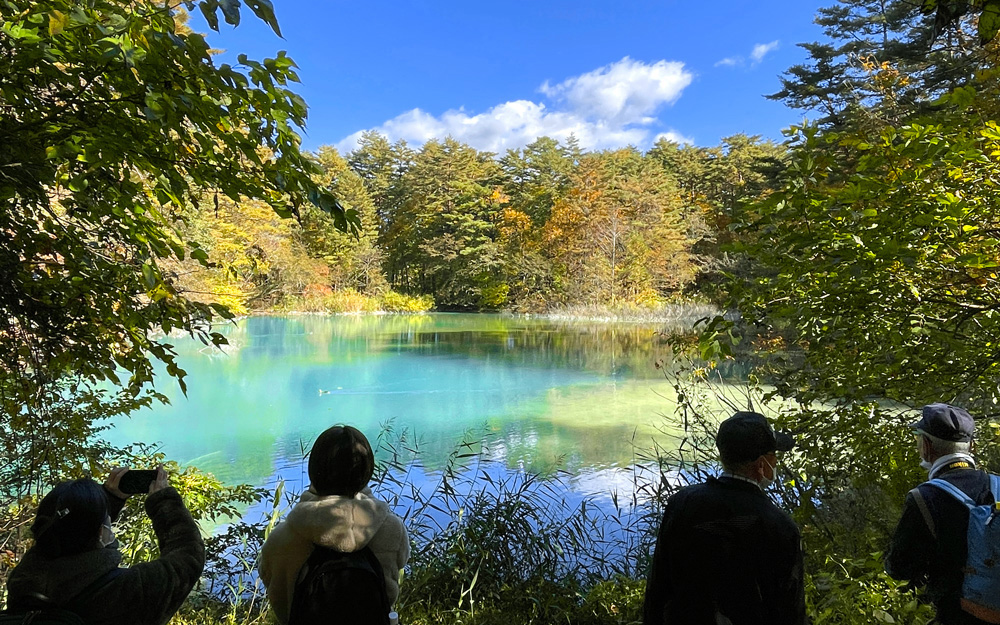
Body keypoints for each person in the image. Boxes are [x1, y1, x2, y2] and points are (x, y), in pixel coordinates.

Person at [643, 411, 805, 625]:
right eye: (774, 456)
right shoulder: (780, 526)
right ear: (761, 464)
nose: (775, 463)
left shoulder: (681, 504)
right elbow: (789, 612)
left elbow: (658, 591)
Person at [5, 466, 205, 625]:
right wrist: (164, 502)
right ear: (101, 532)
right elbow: (188, 556)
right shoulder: (127, 592)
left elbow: (69, 533)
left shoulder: (23, 581)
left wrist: (105, 501)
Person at [259, 425, 409, 624]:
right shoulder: (392, 529)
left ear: (314, 470)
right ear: (366, 471)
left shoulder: (281, 539)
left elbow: (272, 586)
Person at [885, 403, 998, 625]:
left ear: (926, 446)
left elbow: (899, 568)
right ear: (971, 446)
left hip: (956, 616)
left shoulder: (924, 498)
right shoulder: (998, 485)